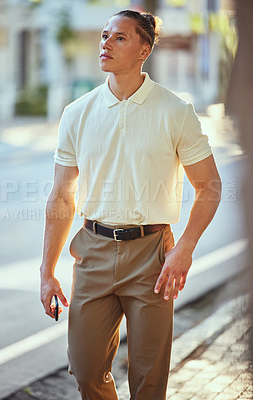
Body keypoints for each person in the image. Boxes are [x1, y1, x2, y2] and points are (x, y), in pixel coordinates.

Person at [40, 9, 221, 400]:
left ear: (144, 50)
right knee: (87, 371)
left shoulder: (175, 111)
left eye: (119, 37)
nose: (105, 43)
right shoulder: (77, 113)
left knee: (148, 380)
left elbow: (209, 186)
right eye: (105, 35)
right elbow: (61, 195)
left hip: (153, 257)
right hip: (93, 251)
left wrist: (185, 248)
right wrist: (47, 270)